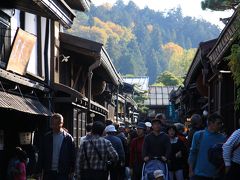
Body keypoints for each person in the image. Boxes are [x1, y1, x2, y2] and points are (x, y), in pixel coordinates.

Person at [36, 113, 76, 180]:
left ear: (62, 123)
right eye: (53, 124)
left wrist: (72, 171)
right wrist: (38, 171)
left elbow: (72, 155)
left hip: (63, 172)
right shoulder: (46, 137)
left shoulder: (68, 138)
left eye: (57, 124)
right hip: (48, 171)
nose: (54, 126)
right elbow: (41, 154)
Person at [188, 113, 227, 180]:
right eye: (218, 123)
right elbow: (193, 153)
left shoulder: (223, 138)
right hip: (199, 175)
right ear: (211, 123)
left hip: (216, 176)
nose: (221, 125)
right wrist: (190, 171)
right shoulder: (198, 135)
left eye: (221, 123)